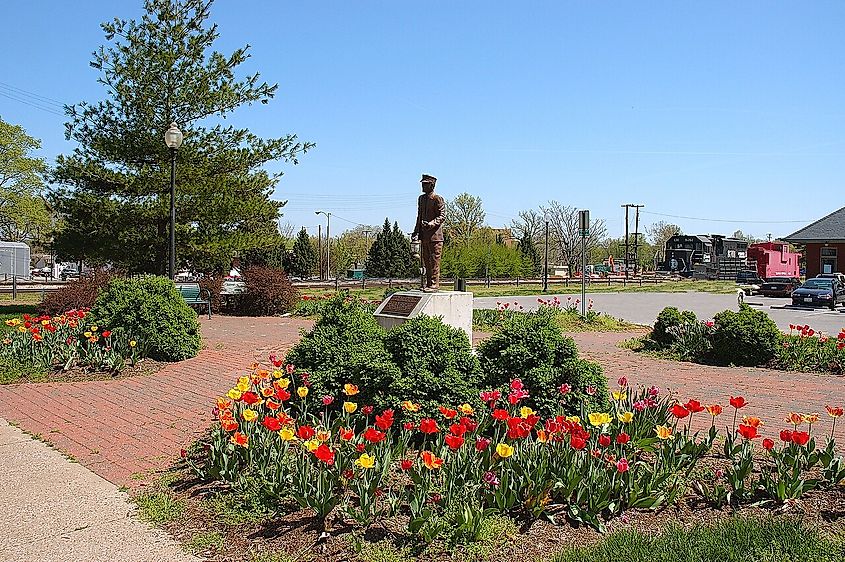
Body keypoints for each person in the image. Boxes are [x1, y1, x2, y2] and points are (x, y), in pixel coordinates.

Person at [412, 174, 446, 291]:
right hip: (424, 236)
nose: (422, 186)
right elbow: (419, 216)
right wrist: (416, 231)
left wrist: (431, 223)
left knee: (434, 261)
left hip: (435, 237)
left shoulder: (437, 199)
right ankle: (428, 283)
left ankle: (434, 284)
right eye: (422, 183)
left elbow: (442, 216)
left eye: (425, 184)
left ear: (432, 185)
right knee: (426, 261)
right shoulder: (421, 199)